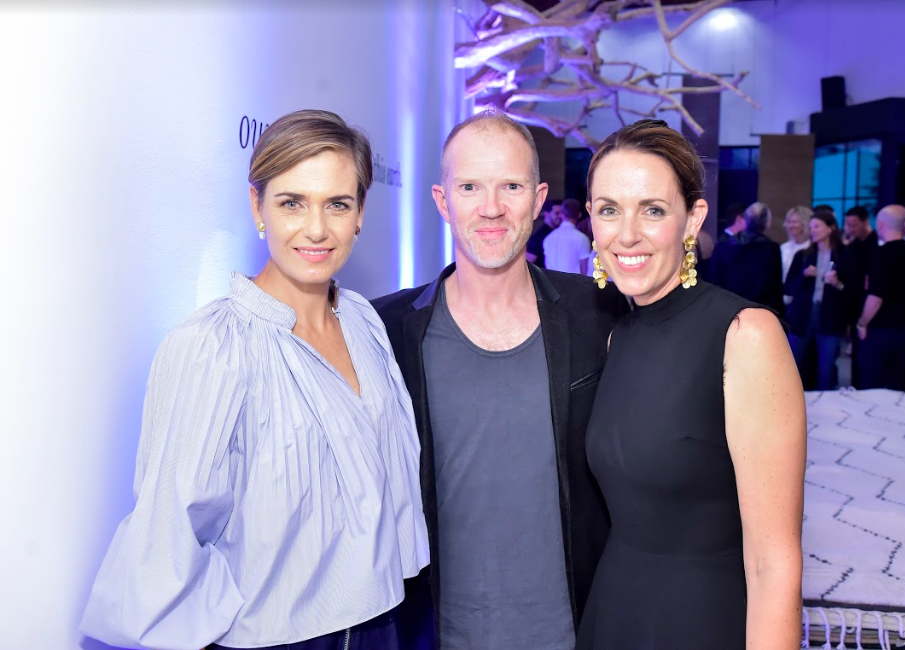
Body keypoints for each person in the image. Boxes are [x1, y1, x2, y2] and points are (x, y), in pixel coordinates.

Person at [79, 110, 429, 650]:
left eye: (337, 204)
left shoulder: (363, 320)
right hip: (276, 638)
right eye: (292, 203)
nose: (317, 228)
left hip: (385, 621)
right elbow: (170, 532)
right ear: (256, 206)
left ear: (360, 212)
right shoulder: (211, 348)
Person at [372, 109, 628, 650]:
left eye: (511, 186)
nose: (491, 207)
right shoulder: (385, 329)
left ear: (537, 199)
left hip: (578, 632)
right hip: (434, 633)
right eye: (470, 187)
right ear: (443, 201)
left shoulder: (599, 313)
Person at [576, 119, 805, 649]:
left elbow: (774, 563)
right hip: (613, 615)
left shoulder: (745, 334)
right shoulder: (616, 333)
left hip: (702, 622)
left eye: (652, 210)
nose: (626, 234)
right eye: (609, 209)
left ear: (692, 218)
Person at [856, 205, 905, 392]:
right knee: (900, 386)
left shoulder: (879, 254)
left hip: (879, 330)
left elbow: (876, 298)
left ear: (881, 224)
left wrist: (862, 323)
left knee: (871, 386)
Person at [784, 211, 848, 390]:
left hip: (830, 316)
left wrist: (837, 283)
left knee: (826, 368)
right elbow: (788, 288)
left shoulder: (844, 255)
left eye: (817, 226)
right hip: (802, 315)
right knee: (792, 364)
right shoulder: (803, 255)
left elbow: (852, 291)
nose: (813, 231)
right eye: (811, 227)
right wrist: (804, 275)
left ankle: (826, 402)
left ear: (830, 228)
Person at [712, 201, 785, 314]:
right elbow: (774, 288)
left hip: (727, 309)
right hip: (760, 312)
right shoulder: (771, 249)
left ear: (745, 220)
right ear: (768, 223)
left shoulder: (722, 246)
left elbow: (714, 280)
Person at [841, 205, 877, 387]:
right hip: (854, 305)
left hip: (872, 306)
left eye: (853, 225)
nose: (850, 229)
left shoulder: (877, 244)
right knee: (856, 356)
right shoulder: (851, 247)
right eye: (847, 225)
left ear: (865, 222)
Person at [543, 197, 592, 274]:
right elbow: (585, 272)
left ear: (561, 214)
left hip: (551, 281)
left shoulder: (549, 238)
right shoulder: (582, 239)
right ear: (579, 214)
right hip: (574, 281)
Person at [526, 199, 563, 267]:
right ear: (547, 214)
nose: (560, 216)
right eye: (557, 213)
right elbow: (528, 262)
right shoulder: (538, 237)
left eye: (562, 213)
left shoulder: (560, 233)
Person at [781, 205, 812, 283]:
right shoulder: (783, 248)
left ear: (805, 223)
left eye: (794, 222)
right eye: (788, 222)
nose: (790, 225)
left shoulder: (811, 248)